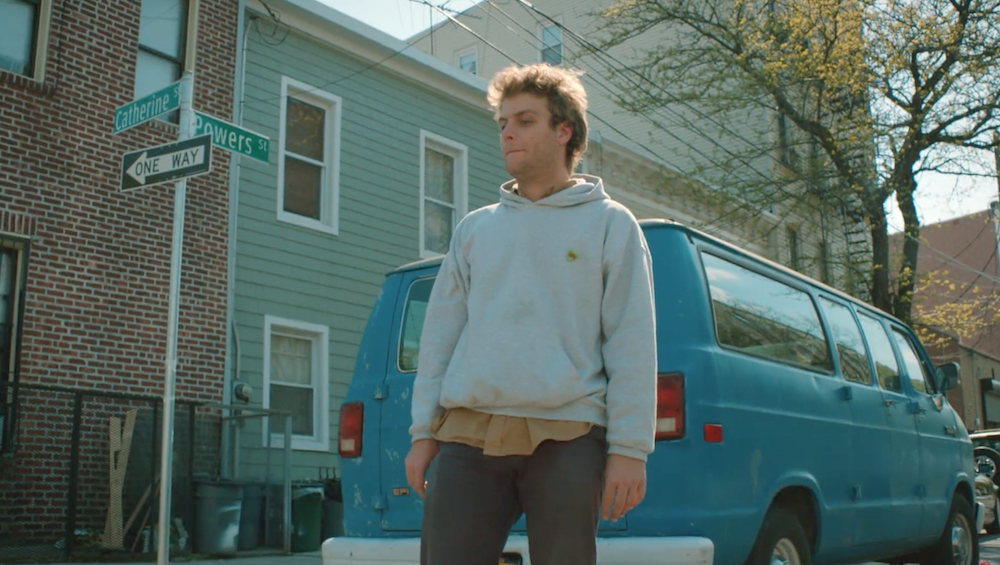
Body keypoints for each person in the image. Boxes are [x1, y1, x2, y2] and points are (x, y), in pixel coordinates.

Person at [404, 63, 658, 565]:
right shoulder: (474, 230)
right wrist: (421, 434)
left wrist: (630, 449)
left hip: (569, 434)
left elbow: (631, 340)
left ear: (564, 131)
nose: (508, 133)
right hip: (468, 435)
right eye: (503, 123)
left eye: (524, 121)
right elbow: (438, 339)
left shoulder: (611, 224)